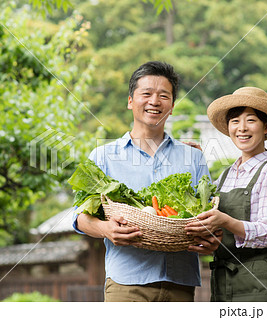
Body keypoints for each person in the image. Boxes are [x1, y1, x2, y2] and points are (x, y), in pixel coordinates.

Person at [73, 61, 221, 302]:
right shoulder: (103, 156)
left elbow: (207, 214)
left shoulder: (193, 156)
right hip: (126, 283)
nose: (155, 101)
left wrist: (211, 237)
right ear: (130, 100)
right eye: (146, 94)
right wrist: (104, 229)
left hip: (180, 283)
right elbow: (79, 216)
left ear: (172, 106)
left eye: (164, 95)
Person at [185, 87, 267, 302]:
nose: (242, 128)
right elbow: (206, 206)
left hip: (259, 281)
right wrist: (195, 162)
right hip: (223, 277)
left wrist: (225, 220)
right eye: (235, 121)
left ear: (266, 126)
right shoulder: (227, 174)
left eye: (251, 120)